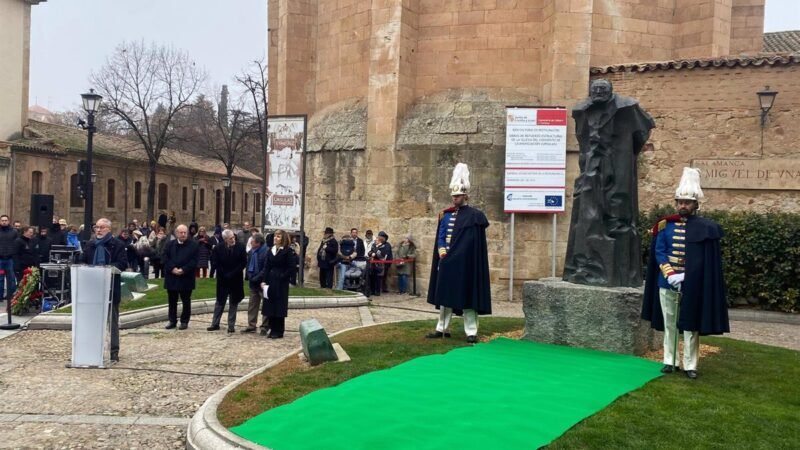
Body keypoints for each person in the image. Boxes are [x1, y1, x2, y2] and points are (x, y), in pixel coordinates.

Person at [563, 78, 656, 287]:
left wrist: (625, 151)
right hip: (592, 164)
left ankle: (618, 270)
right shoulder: (583, 110)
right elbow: (582, 136)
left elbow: (643, 132)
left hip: (618, 159)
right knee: (588, 207)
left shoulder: (628, 107)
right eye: (595, 89)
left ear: (610, 91)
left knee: (618, 203)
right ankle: (585, 264)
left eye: (602, 89)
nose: (598, 92)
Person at [641, 168, 730, 380]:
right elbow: (659, 251)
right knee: (669, 323)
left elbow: (703, 259)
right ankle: (670, 361)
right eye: (680, 201)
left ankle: (691, 364)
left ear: (696, 204)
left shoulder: (706, 228)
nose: (683, 205)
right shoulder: (664, 225)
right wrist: (670, 273)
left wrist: (686, 275)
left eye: (687, 202)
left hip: (693, 283)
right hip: (667, 281)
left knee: (691, 325)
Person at [426, 163, 491, 344]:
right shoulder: (445, 215)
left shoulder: (474, 216)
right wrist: (441, 250)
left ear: (465, 196)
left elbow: (474, 243)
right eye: (453, 196)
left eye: (458, 196)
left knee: (468, 297)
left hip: (465, 264)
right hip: (447, 262)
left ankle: (471, 331)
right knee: (445, 297)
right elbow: (441, 236)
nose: (455, 199)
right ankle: (441, 328)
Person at [81, 218, 128, 361]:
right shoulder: (90, 245)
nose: (98, 230)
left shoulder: (117, 245)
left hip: (111, 288)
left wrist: (105, 269)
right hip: (93, 289)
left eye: (102, 227)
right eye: (97, 227)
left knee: (112, 322)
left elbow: (122, 264)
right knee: (93, 321)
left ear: (109, 229)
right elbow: (83, 260)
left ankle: (114, 351)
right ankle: (93, 348)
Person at [253, 230, 296, 339]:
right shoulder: (270, 250)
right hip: (270, 280)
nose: (275, 238)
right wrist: (263, 281)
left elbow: (291, 267)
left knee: (279, 305)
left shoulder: (287, 251)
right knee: (270, 304)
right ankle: (272, 328)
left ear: (283, 238)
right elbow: (267, 267)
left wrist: (282, 276)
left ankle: (279, 330)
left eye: (278, 236)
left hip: (281, 282)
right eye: (275, 236)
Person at [208, 229, 247, 332]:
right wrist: (224, 274)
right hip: (223, 280)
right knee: (220, 302)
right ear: (225, 239)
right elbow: (215, 263)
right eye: (230, 238)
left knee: (233, 303)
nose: (233, 239)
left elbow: (243, 263)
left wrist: (233, 273)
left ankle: (231, 325)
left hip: (235, 279)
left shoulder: (240, 247)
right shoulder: (218, 248)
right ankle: (215, 323)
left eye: (233, 237)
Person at [163, 224, 199, 330]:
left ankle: (184, 321)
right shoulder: (169, 245)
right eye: (181, 232)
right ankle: (172, 320)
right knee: (172, 300)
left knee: (186, 301)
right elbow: (164, 258)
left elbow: (194, 261)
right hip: (172, 277)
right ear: (176, 233)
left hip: (186, 277)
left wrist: (183, 270)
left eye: (185, 233)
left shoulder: (194, 245)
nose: (183, 235)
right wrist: (173, 269)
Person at [243, 234, 269, 334]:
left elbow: (266, 268)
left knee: (265, 305)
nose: (250, 243)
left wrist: (257, 278)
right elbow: (248, 264)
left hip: (263, 282)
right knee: (252, 305)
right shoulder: (251, 252)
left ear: (258, 243)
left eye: (252, 241)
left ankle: (265, 326)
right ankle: (251, 325)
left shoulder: (266, 252)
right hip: (253, 282)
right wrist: (250, 276)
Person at [0, 215, 18, 301]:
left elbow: (17, 244)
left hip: (10, 259)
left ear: (9, 221)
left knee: (11, 278)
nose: (4, 222)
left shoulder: (14, 232)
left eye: (5, 220)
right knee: (0, 278)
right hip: (0, 259)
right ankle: (0, 296)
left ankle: (11, 296)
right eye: (2, 220)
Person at [368, 231, 391, 296]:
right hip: (373, 264)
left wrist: (375, 253)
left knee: (378, 278)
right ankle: (372, 291)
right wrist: (371, 253)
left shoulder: (385, 246)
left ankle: (378, 291)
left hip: (380, 264)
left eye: (377, 239)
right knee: (372, 277)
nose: (376, 240)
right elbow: (370, 252)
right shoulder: (373, 245)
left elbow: (383, 255)